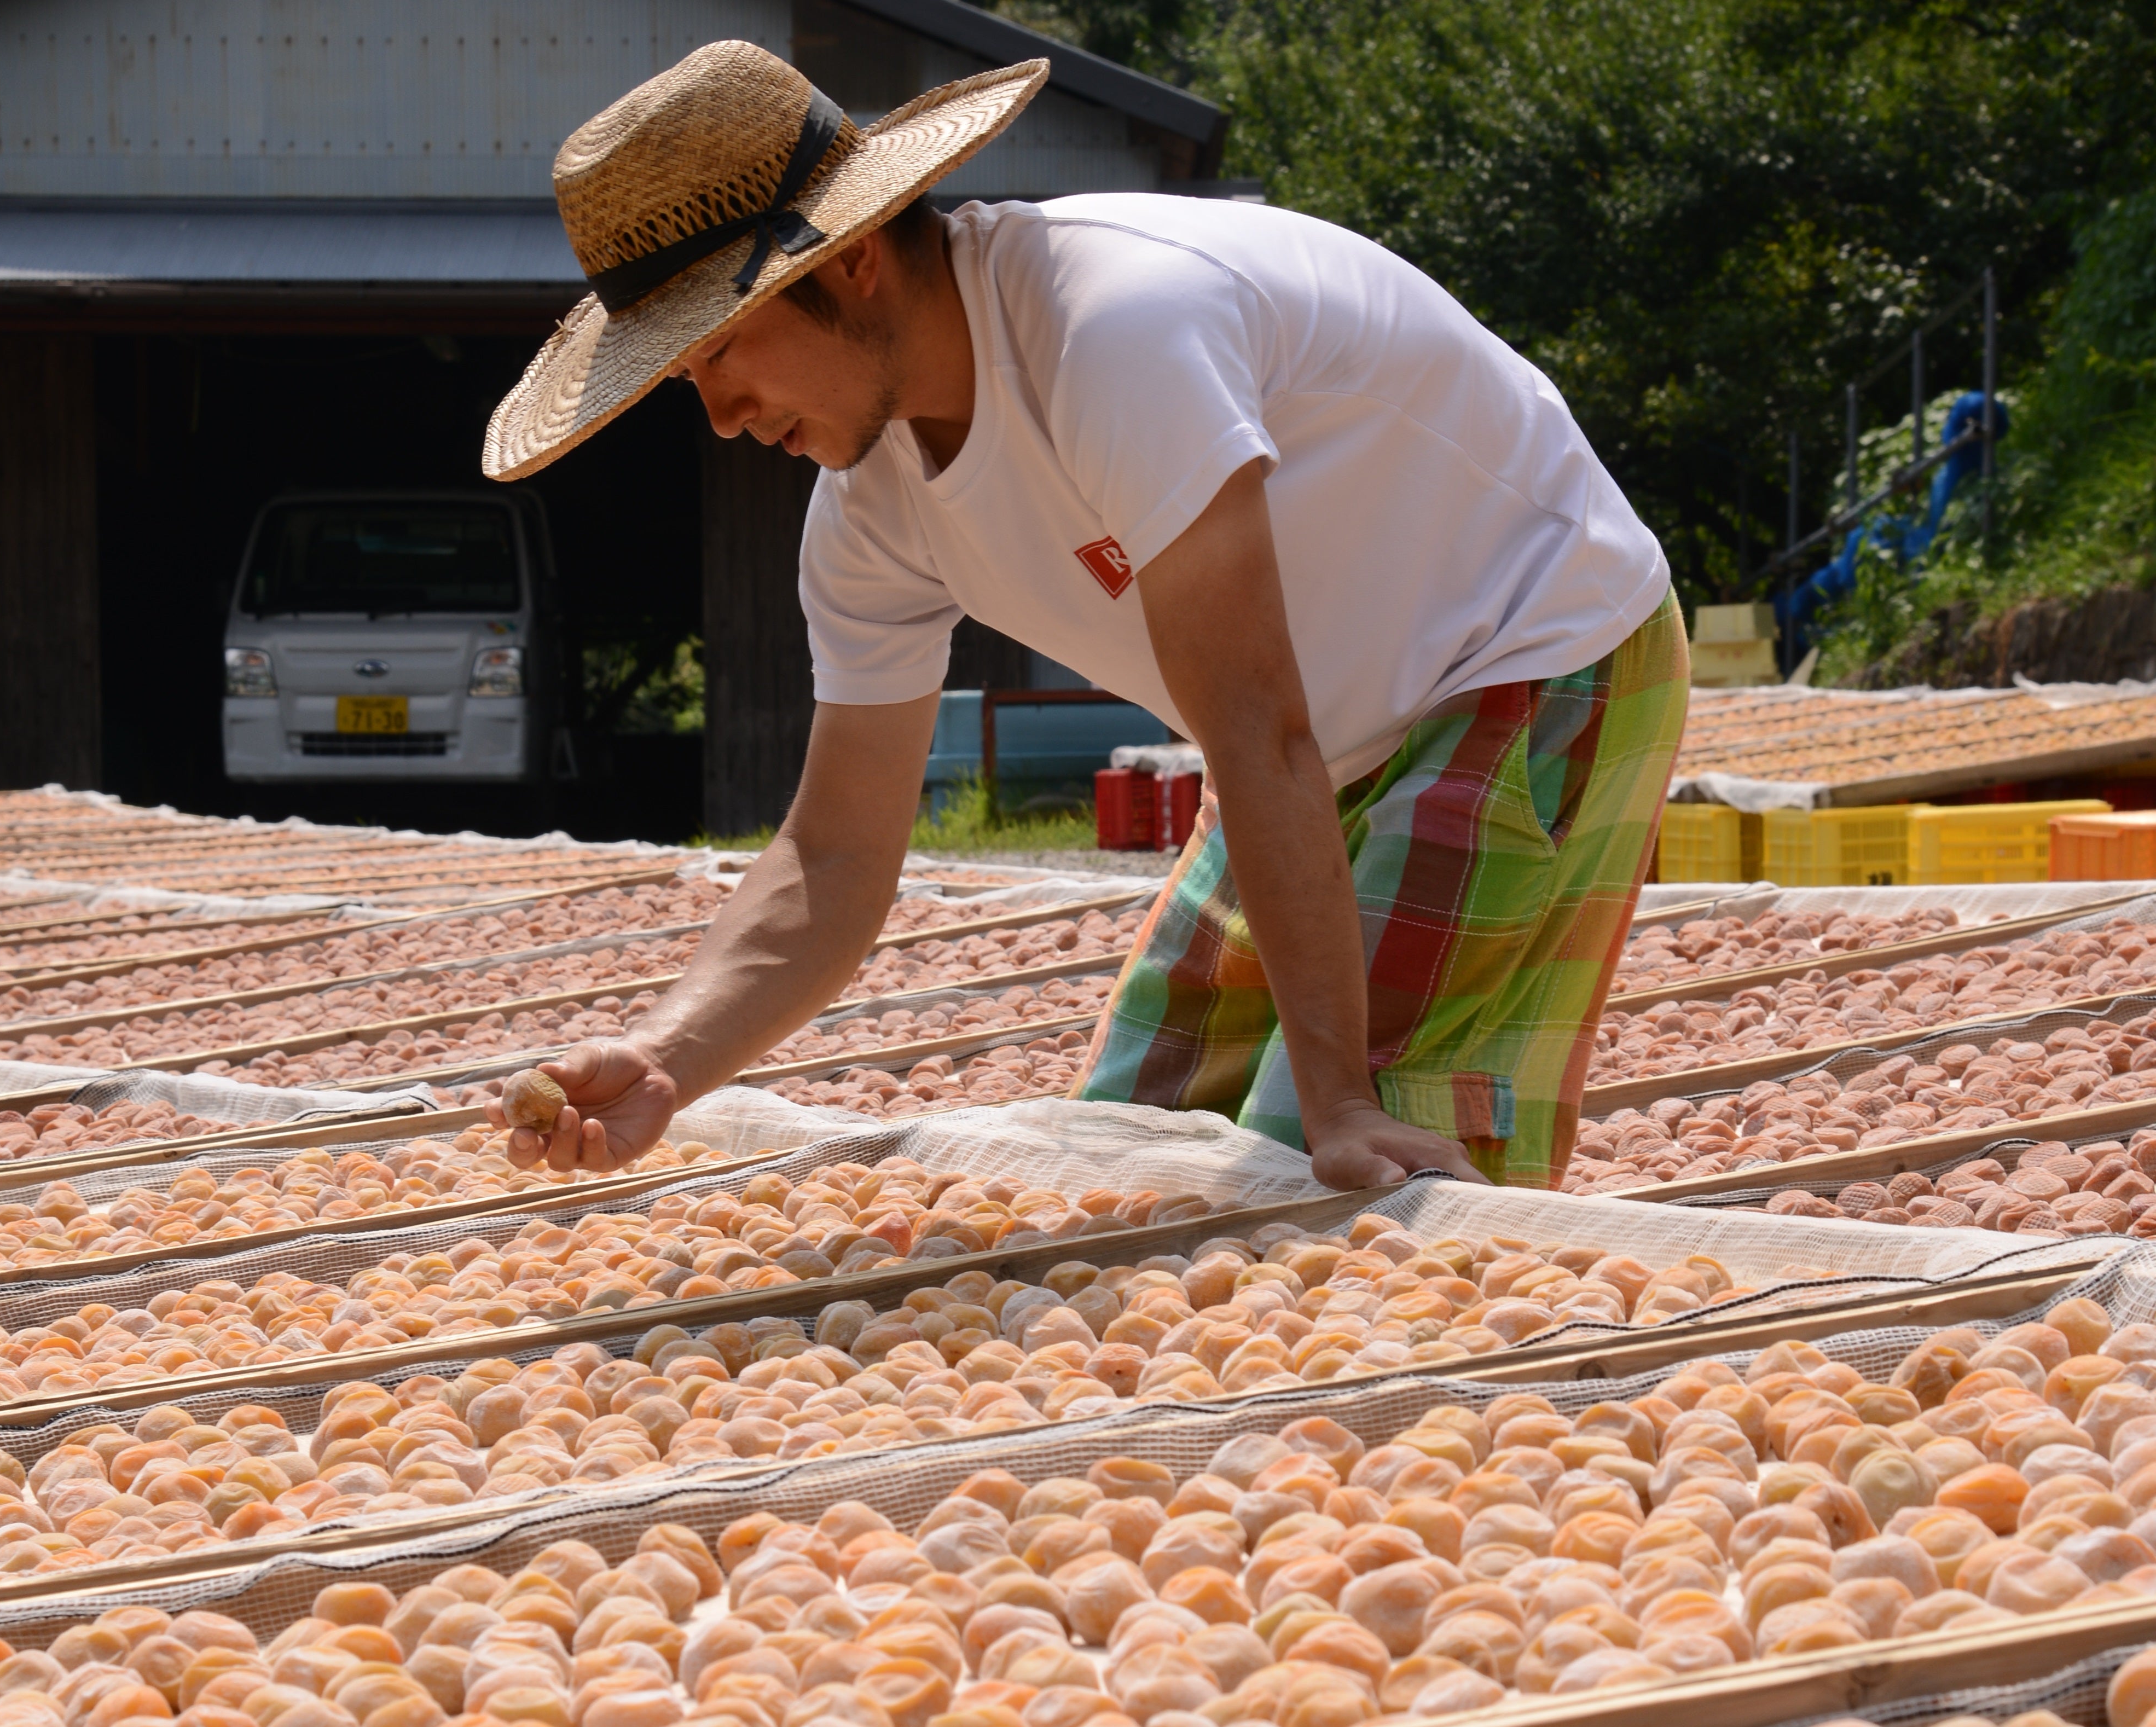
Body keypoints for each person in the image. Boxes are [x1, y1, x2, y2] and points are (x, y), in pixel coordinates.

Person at [483, 39, 1685, 1189]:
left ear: (847, 260)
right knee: (1123, 1154)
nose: (720, 412)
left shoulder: (1113, 331)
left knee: (1349, 1180)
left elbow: (1260, 728)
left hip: (1526, 653)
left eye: (723, 347)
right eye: (685, 374)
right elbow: (834, 852)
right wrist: (667, 1056)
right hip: (1309, 746)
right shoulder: (869, 511)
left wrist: (1341, 1098)